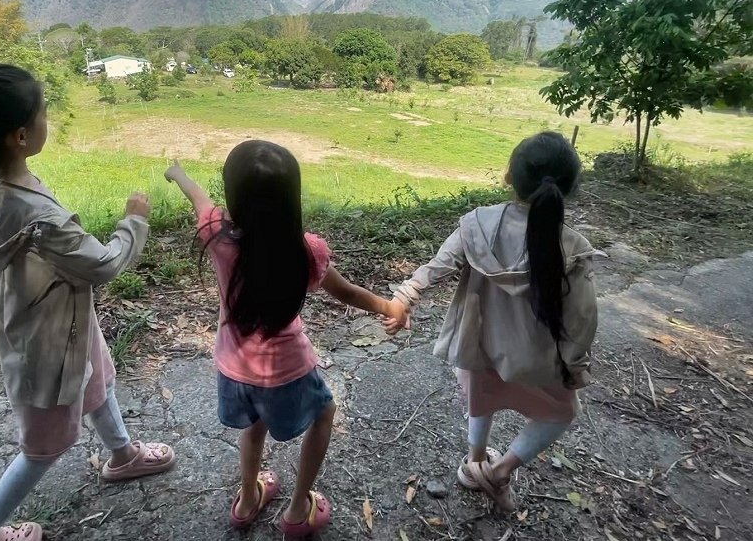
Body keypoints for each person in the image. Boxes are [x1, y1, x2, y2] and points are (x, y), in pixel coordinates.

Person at [0, 63, 175, 541]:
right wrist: (133, 222)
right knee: (42, 447)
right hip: (47, 347)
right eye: (44, 113)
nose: (49, 119)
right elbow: (103, 264)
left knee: (98, 379)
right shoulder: (41, 216)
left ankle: (122, 455)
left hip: (60, 322)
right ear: (21, 136)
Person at [165, 140, 396, 536]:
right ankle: (297, 510)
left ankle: (249, 499)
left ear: (234, 196)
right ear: (292, 198)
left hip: (234, 367)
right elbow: (347, 293)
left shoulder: (217, 237)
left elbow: (198, 198)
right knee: (323, 414)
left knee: (253, 424)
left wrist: (179, 173)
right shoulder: (307, 250)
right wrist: (389, 308)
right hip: (287, 369)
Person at [385, 131, 599, 512]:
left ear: (508, 177)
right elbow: (582, 319)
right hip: (537, 360)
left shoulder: (477, 225)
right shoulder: (572, 246)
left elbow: (438, 266)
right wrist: (574, 365)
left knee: (480, 399)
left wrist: (403, 297)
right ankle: (499, 472)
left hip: (478, 346)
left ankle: (475, 461)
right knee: (562, 412)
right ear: (568, 190)